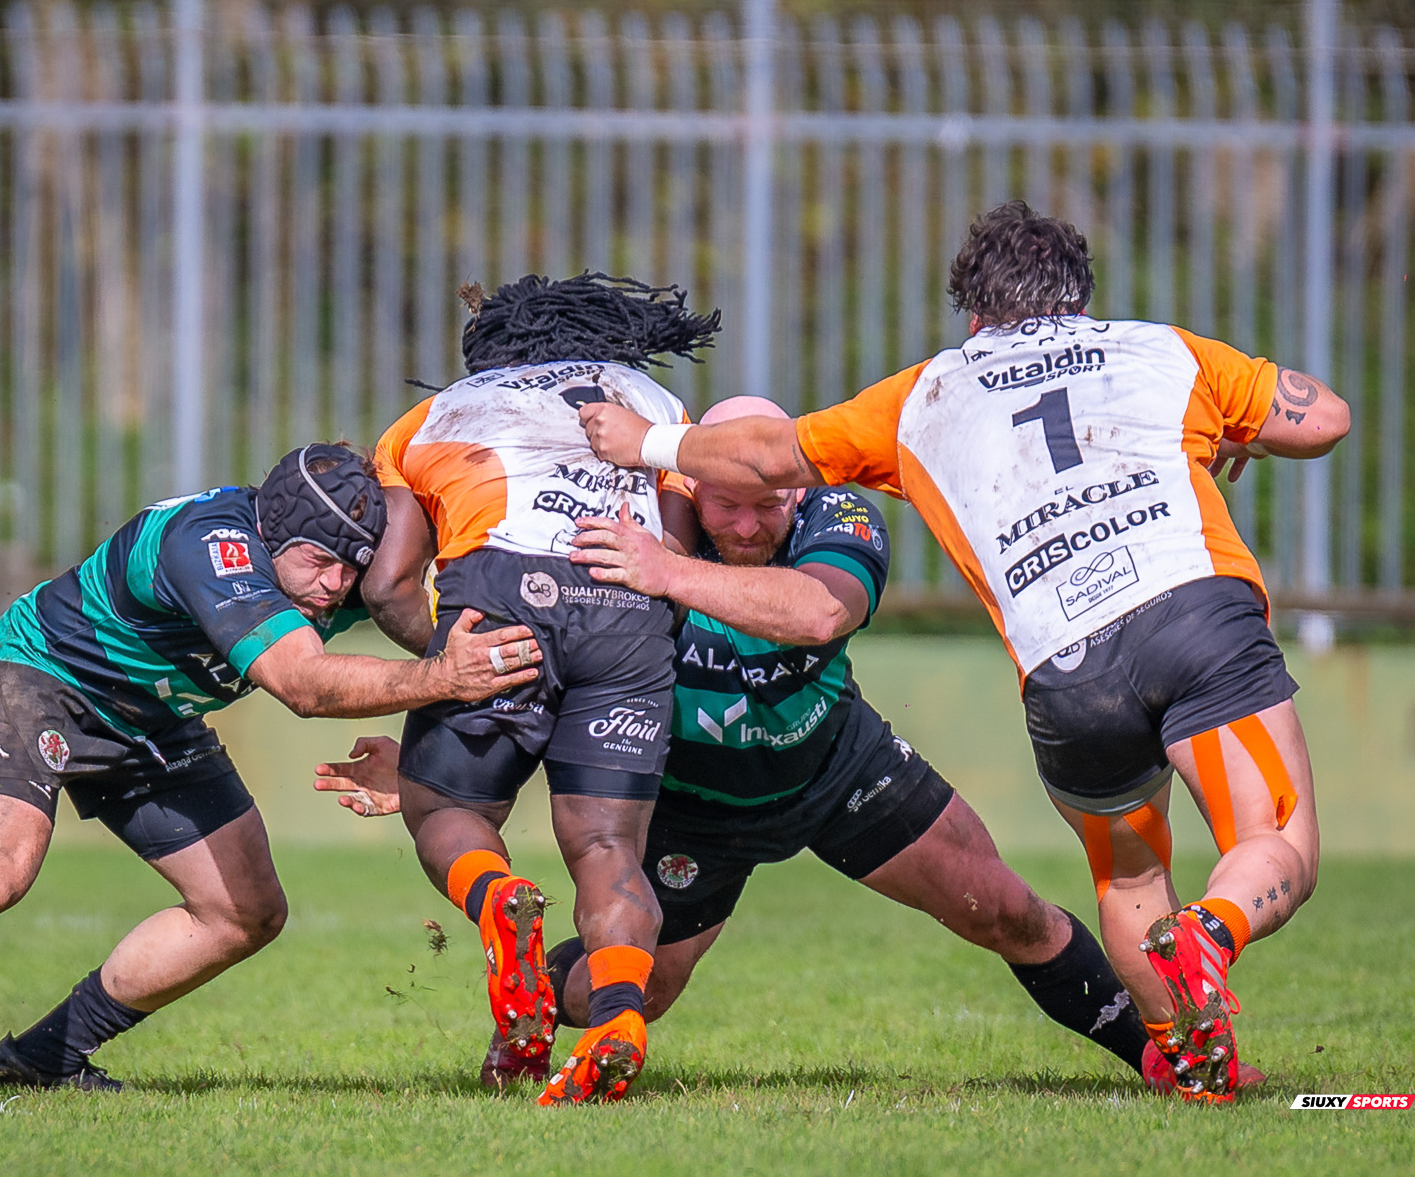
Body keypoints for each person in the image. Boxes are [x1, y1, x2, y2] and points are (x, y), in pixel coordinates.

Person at [577, 202, 1349, 1102]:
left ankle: (1188, 1059)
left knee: (1121, 875)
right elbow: (1322, 418)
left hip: (1058, 677)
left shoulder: (926, 396)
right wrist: (1239, 429)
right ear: (1081, 299)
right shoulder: (1163, 349)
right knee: (1273, 835)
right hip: (1190, 613)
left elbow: (779, 471)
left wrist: (649, 443)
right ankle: (1213, 932)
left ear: (974, 316)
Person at [318, 396, 1230, 1097]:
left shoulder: (839, 517)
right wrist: (438, 771)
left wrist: (670, 572)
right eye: (726, 507)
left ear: (795, 486)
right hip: (695, 812)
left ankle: (1161, 1061)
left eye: (767, 505)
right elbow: (559, 685)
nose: (749, 525)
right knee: (626, 987)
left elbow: (818, 610)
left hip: (838, 766)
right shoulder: (634, 527)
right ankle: (523, 1019)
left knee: (1007, 912)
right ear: (687, 489)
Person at [0, 444, 541, 1103]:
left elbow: (407, 614)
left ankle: (44, 1058)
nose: (337, 587)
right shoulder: (213, 546)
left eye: (353, 566)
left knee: (246, 911)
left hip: (154, 717)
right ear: (275, 537)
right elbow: (307, 686)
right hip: (43, 679)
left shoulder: (334, 564)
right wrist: (439, 679)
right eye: (322, 565)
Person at [361, 273, 715, 1104]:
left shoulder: (435, 414)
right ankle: (620, 1019)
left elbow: (386, 585)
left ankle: (500, 897)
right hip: (626, 598)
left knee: (445, 811)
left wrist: (448, 657)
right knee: (608, 849)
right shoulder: (654, 403)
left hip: (502, 591)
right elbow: (681, 560)